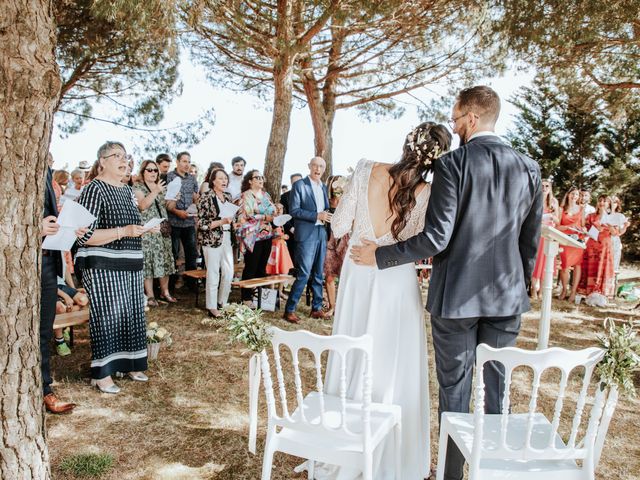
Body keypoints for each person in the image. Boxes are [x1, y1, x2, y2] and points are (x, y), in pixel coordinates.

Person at [352, 86, 542, 480]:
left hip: (455, 298)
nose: (453, 127)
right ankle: (493, 471)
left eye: (456, 119)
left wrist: (382, 255)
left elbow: (436, 238)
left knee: (455, 392)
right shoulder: (529, 167)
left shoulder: (453, 163)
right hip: (507, 299)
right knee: (497, 388)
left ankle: (452, 475)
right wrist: (521, 286)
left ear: (472, 118)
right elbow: (529, 240)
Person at [307, 123, 451, 480]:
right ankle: (394, 457)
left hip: (358, 273)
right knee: (394, 362)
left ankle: (342, 447)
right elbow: (418, 240)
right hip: (396, 279)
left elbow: (339, 226)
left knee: (352, 351)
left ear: (406, 143)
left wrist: (364, 226)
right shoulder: (427, 192)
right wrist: (385, 244)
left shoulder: (366, 168)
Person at [76, 141, 154, 394]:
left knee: (131, 315)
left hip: (130, 262)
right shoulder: (94, 190)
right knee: (107, 317)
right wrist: (124, 231)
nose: (125, 160)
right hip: (101, 264)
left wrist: (141, 230)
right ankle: (103, 374)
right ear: (102, 161)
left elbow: (129, 225)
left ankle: (129, 364)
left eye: (126, 156)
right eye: (117, 156)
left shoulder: (126, 190)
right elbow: (84, 235)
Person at [40, 162, 82, 413]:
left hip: (47, 260)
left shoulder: (44, 170)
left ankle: (45, 389)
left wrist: (66, 228)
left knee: (43, 330)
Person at [283, 157, 330, 323]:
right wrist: (317, 215)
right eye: (315, 165)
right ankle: (289, 310)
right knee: (303, 273)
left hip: (320, 233)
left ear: (324, 169)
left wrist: (327, 215)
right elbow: (294, 210)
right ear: (309, 166)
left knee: (318, 273)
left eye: (321, 166)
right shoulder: (299, 185)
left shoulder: (324, 187)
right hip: (306, 234)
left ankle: (316, 309)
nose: (318, 169)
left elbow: (325, 209)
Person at [132, 160, 177, 306]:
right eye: (149, 170)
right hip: (148, 230)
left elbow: (167, 207)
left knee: (165, 260)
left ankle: (165, 292)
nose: (153, 173)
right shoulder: (137, 187)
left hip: (162, 229)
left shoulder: (161, 187)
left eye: (155, 171)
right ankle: (150, 295)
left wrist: (174, 199)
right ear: (143, 172)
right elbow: (143, 206)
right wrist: (156, 191)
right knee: (149, 262)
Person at [197, 168, 235, 317]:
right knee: (213, 273)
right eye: (220, 178)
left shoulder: (228, 197)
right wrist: (221, 221)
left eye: (225, 178)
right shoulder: (205, 197)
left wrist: (233, 223)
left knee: (229, 272)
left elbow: (231, 217)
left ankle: (223, 302)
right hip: (211, 239)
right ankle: (212, 307)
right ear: (213, 181)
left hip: (227, 237)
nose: (224, 181)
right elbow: (201, 223)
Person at [236, 169, 276, 306]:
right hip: (252, 237)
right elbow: (246, 214)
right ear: (250, 181)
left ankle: (259, 297)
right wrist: (264, 216)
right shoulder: (245, 195)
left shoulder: (266, 195)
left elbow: (274, 211)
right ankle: (246, 298)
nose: (260, 179)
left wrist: (270, 215)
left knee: (261, 267)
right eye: (257, 177)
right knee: (251, 267)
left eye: (261, 177)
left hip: (267, 235)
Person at [166, 151, 200, 290]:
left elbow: (195, 197)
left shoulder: (192, 179)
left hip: (189, 222)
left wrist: (194, 206)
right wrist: (177, 212)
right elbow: (167, 199)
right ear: (178, 162)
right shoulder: (169, 177)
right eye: (184, 161)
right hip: (174, 221)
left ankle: (191, 284)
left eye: (189, 162)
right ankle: (172, 284)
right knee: (173, 253)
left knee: (191, 253)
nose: (187, 164)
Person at [578, 195, 616, 298]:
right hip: (592, 246)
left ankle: (601, 293)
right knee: (590, 267)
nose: (602, 203)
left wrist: (609, 225)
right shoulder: (590, 216)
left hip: (605, 247)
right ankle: (588, 292)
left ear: (609, 204)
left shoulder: (613, 217)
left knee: (603, 267)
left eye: (605, 201)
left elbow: (615, 233)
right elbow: (584, 229)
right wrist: (595, 229)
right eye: (600, 201)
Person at [322, 175, 349, 316]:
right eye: (335, 185)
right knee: (330, 276)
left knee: (346, 275)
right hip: (329, 241)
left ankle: (345, 308)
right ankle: (332, 307)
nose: (338, 188)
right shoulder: (325, 202)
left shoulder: (349, 202)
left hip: (345, 240)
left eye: (341, 185)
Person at [530, 178, 560, 299]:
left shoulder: (553, 202)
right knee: (535, 262)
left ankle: (541, 291)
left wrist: (552, 217)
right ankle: (533, 289)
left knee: (545, 263)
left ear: (550, 188)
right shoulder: (534, 199)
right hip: (537, 233)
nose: (544, 188)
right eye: (542, 185)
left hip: (548, 235)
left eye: (547, 186)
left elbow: (558, 221)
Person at [557, 186, 585, 302]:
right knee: (565, 266)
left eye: (577, 195)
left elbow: (583, 225)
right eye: (572, 194)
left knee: (578, 265)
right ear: (568, 195)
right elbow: (557, 226)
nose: (574, 196)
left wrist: (582, 230)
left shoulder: (581, 209)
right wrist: (569, 227)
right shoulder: (561, 209)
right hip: (564, 239)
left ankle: (573, 292)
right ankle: (564, 289)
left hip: (577, 240)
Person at [280, 173, 303, 267]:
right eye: (295, 182)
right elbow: (283, 214)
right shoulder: (285, 197)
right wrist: (291, 228)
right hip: (291, 231)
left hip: (305, 231)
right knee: (293, 256)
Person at [265, 203, 294, 276]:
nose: (278, 210)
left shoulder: (283, 220)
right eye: (277, 208)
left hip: (282, 246)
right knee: (273, 267)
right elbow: (269, 234)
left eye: (280, 209)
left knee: (283, 265)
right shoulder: (270, 220)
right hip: (273, 246)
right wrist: (281, 237)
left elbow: (291, 228)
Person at [609, 195, 630, 273]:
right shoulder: (602, 214)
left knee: (614, 266)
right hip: (603, 241)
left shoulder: (620, 216)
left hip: (615, 242)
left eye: (614, 202)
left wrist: (625, 226)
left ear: (617, 204)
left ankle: (613, 283)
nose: (612, 204)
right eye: (610, 202)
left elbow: (620, 232)